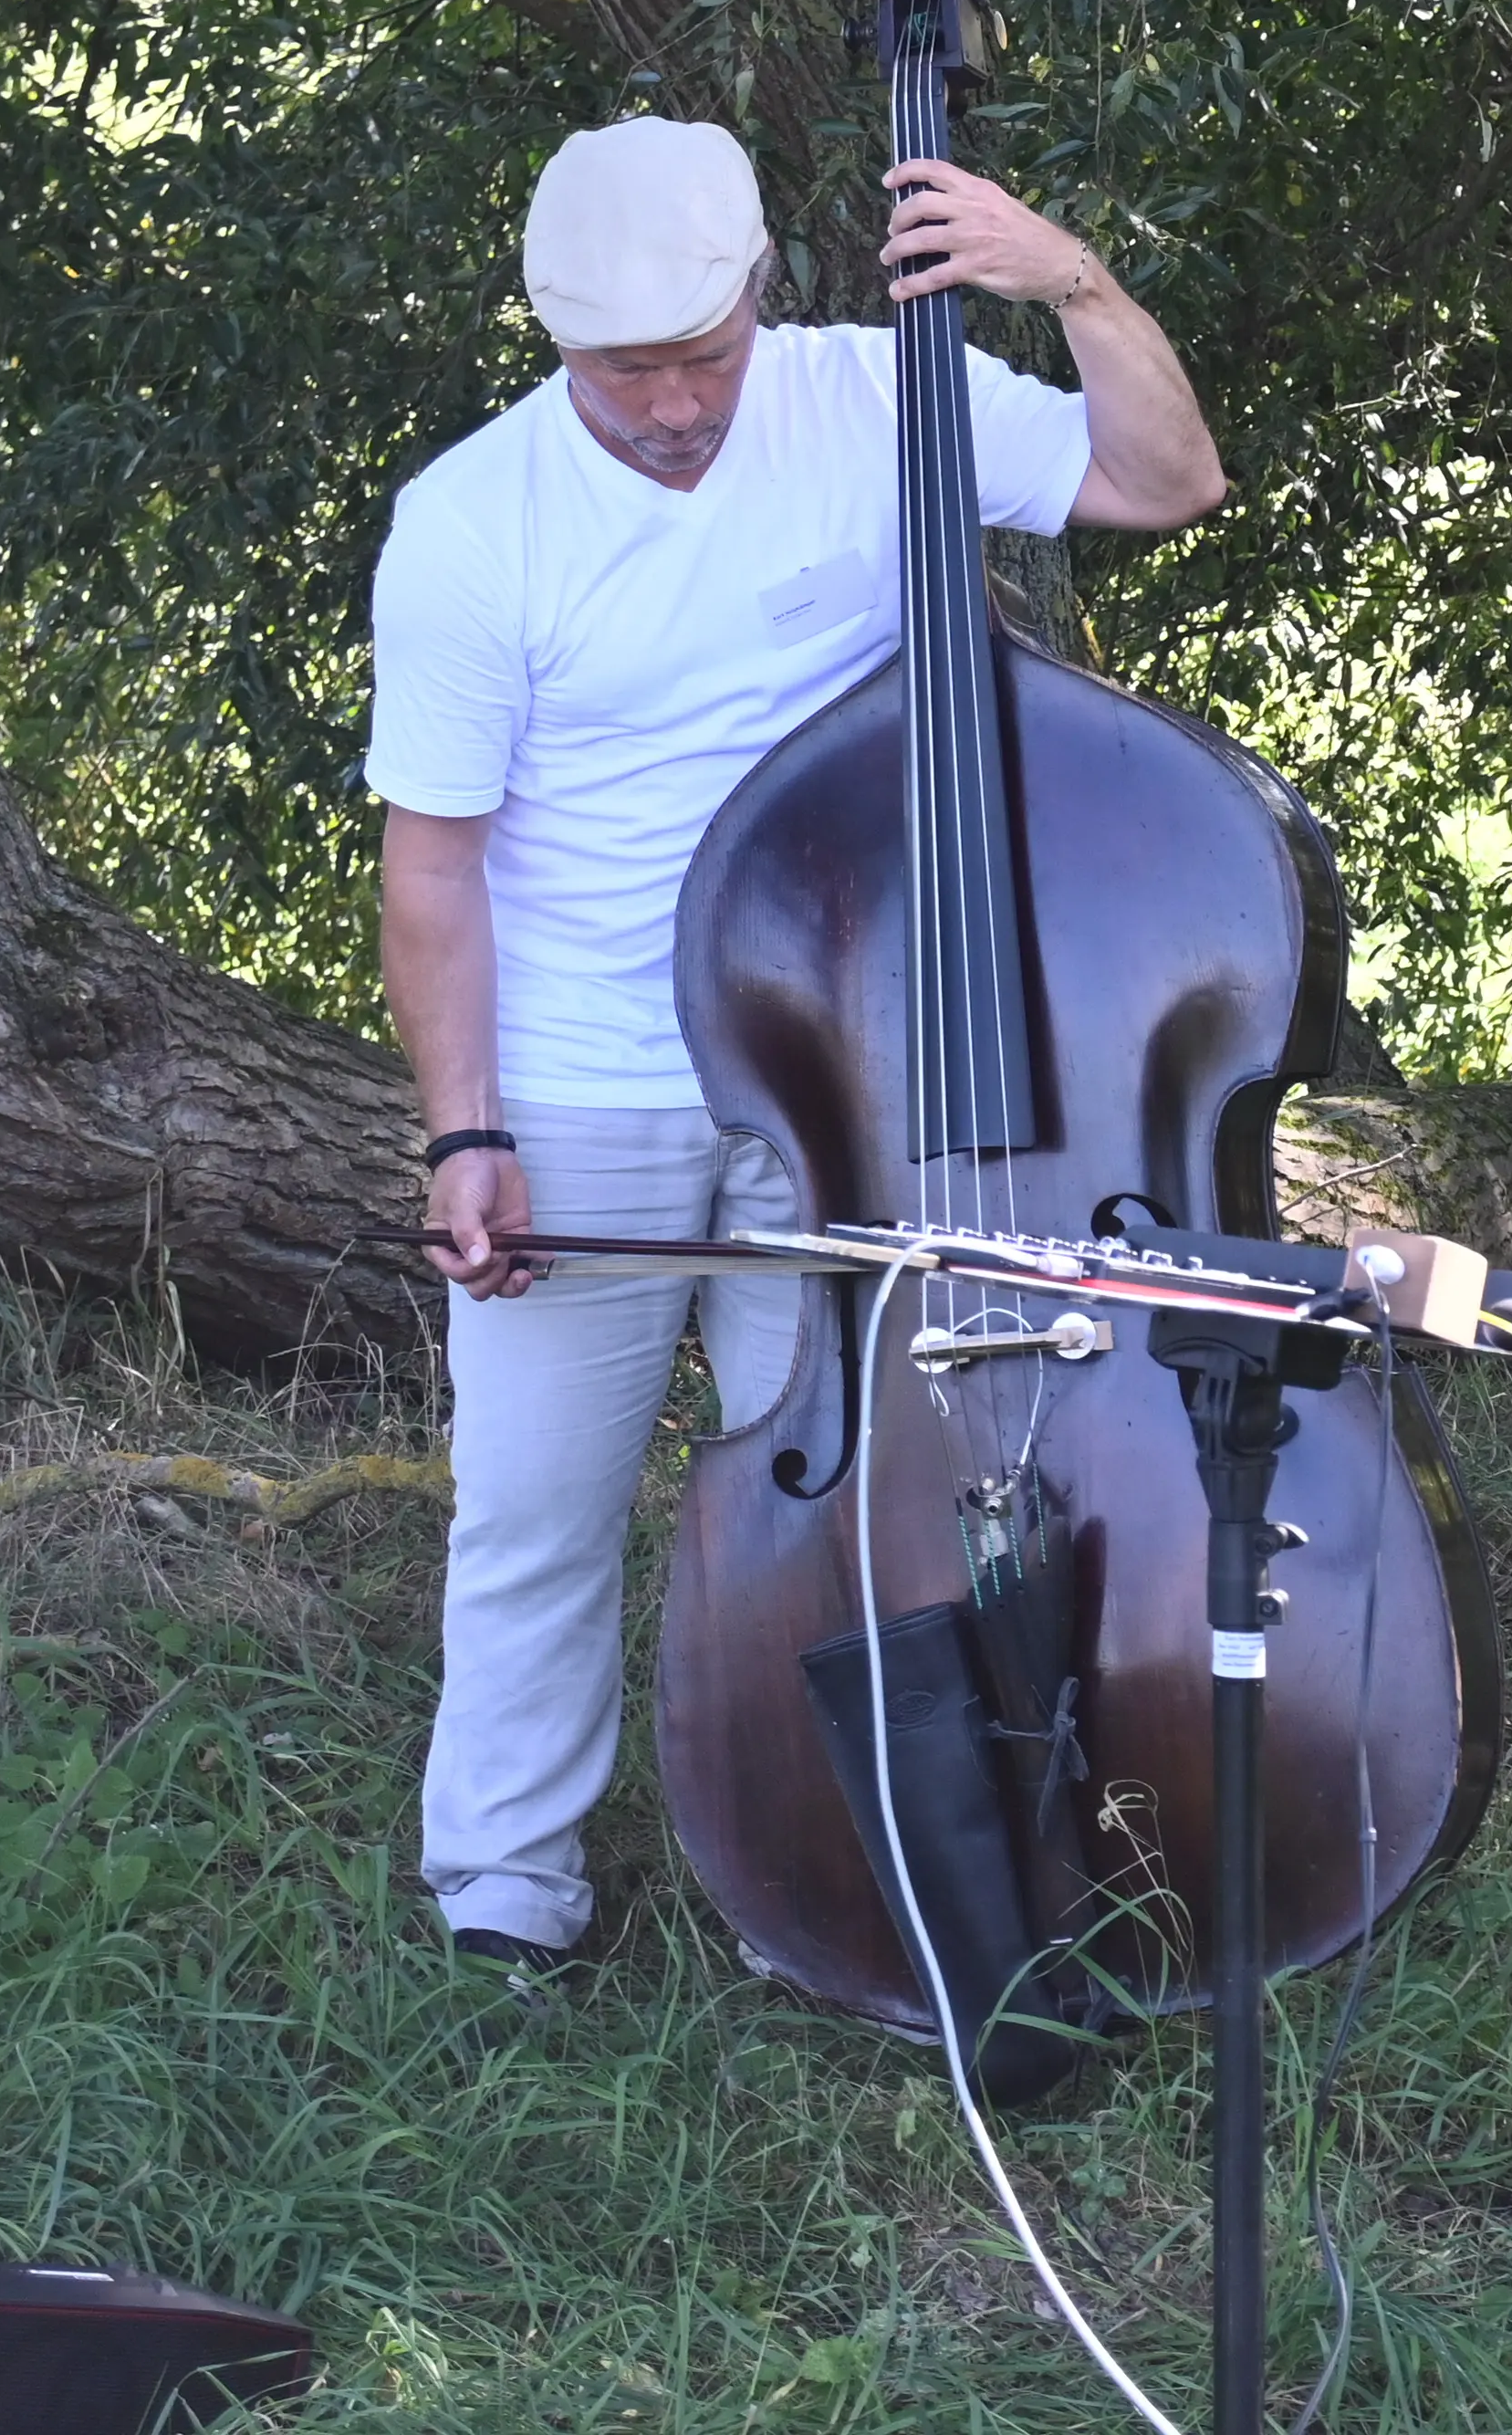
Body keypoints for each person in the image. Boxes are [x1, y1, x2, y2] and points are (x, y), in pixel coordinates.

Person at [365, 116, 1227, 1976]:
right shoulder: (469, 522)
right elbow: (431, 866)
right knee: (536, 1504)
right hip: (587, 1072)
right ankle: (506, 1894)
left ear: (765, 291)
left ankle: (833, 1891)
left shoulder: (877, 399)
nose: (675, 403)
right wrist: (464, 1133)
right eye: (625, 368)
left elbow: (1166, 480)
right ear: (549, 337)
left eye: (704, 353)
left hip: (846, 1074)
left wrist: (1066, 277)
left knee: (850, 1509)